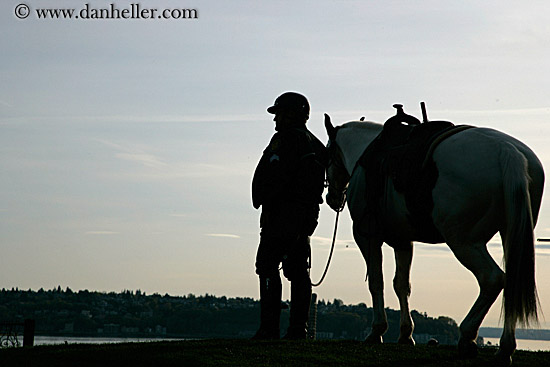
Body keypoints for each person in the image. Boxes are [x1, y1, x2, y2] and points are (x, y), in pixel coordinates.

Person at [251, 92, 327, 339]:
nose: (276, 120)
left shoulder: (285, 140)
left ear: (292, 115)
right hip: (301, 220)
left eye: (280, 114)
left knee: (268, 266)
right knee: (298, 271)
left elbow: (276, 177)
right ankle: (297, 330)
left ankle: (269, 328)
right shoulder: (315, 144)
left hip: (281, 216)